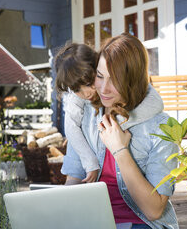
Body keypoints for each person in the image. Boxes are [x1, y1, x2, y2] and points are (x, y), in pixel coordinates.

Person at [61, 33, 179, 229]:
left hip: (140, 222)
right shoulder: (86, 115)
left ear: (132, 81)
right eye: (99, 76)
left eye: (114, 80)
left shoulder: (162, 128)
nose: (104, 89)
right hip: (92, 222)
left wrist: (120, 151)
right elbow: (74, 179)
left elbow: (154, 210)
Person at [55, 43, 164, 183]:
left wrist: (119, 123)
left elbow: (156, 102)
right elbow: (71, 128)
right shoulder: (79, 103)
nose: (86, 93)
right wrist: (90, 163)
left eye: (89, 84)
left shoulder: (122, 90)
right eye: (76, 90)